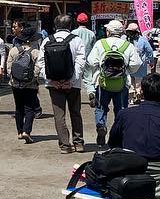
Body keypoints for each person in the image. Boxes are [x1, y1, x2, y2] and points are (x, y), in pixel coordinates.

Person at [86, 19, 142, 145]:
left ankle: (101, 126)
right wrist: (126, 69)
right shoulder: (127, 45)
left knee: (101, 107)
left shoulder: (101, 43)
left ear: (108, 31)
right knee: (121, 110)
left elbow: (91, 61)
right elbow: (136, 64)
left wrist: (101, 66)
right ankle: (118, 137)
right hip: (121, 83)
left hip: (102, 82)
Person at [41, 14, 88, 153]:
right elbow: (81, 62)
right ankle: (78, 143)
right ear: (70, 26)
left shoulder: (46, 40)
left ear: (55, 26)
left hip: (53, 85)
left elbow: (41, 62)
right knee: (75, 113)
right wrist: (71, 80)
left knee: (59, 115)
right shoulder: (77, 40)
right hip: (73, 85)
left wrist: (51, 80)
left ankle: (65, 145)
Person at [6, 26, 41, 143]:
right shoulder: (36, 52)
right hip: (30, 85)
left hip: (15, 84)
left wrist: (15, 79)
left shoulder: (13, 50)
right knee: (30, 108)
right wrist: (31, 79)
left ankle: (19, 132)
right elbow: (37, 68)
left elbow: (9, 68)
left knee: (19, 107)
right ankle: (27, 131)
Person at [73, 12, 97, 103]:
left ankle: (74, 97)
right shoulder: (91, 33)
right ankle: (91, 92)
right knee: (88, 78)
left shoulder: (73, 33)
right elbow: (94, 46)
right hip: (88, 58)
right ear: (87, 22)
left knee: (75, 77)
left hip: (75, 59)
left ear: (77, 22)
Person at [127, 23, 155, 91]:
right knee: (138, 82)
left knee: (130, 81)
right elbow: (150, 50)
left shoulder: (126, 39)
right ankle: (138, 95)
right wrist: (151, 61)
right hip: (140, 65)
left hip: (129, 64)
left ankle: (131, 98)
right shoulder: (143, 40)